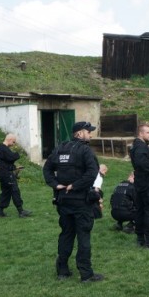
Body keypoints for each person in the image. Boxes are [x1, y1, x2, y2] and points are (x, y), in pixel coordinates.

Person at [43, 121, 104, 282]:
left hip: (63, 200)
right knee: (83, 236)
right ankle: (86, 274)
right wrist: (75, 186)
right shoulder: (85, 151)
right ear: (79, 134)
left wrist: (56, 185)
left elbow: (46, 169)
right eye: (88, 132)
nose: (90, 134)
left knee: (66, 234)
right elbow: (92, 173)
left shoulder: (60, 149)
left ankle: (62, 270)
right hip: (81, 201)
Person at [0, 133, 31, 218]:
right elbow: (11, 157)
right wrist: (18, 154)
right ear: (10, 140)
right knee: (15, 191)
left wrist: (15, 167)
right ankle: (21, 211)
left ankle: (0, 211)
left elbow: (5, 161)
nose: (14, 144)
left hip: (2, 173)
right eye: (14, 142)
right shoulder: (4, 149)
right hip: (7, 174)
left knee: (5, 192)